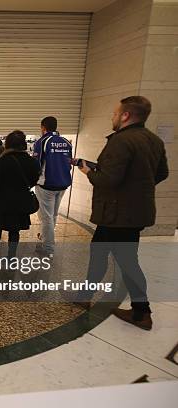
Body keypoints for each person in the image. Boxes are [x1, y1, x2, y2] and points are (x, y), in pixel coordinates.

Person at [76, 96, 168, 331]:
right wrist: (135, 190)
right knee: (105, 255)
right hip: (133, 213)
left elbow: (107, 179)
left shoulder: (121, 141)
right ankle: (86, 296)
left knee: (125, 262)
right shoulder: (154, 140)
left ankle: (141, 312)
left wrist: (88, 171)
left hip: (116, 215)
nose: (113, 117)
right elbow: (161, 173)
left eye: (116, 113)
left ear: (126, 115)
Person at [0, 130, 41, 259]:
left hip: (2, 201)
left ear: (8, 144)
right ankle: (11, 256)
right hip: (21, 201)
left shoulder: (3, 160)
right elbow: (35, 179)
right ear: (24, 144)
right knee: (14, 230)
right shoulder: (31, 161)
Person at [32, 116, 73, 255]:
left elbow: (36, 164)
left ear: (43, 127)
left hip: (46, 185)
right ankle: (45, 238)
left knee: (46, 217)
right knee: (53, 215)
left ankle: (48, 247)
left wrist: (32, 180)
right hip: (63, 184)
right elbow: (69, 163)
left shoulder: (42, 142)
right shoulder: (66, 142)